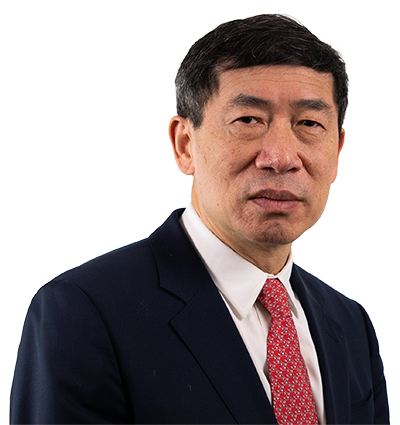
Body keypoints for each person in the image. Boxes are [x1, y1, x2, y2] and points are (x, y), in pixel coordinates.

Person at [10, 13, 389, 425]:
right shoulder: (83, 312)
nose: (281, 157)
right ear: (185, 144)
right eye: (249, 120)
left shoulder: (351, 325)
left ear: (337, 151)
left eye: (310, 124)